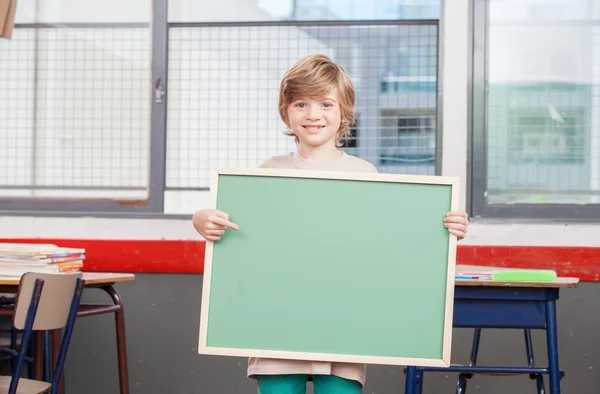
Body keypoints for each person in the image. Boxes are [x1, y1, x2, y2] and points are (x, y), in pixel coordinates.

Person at [192, 54, 469, 394]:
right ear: (286, 112)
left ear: (344, 113)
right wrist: (201, 219)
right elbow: (236, 231)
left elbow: (390, 243)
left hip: (344, 328)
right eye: (301, 104)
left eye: (325, 103)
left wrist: (446, 227)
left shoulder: (365, 175)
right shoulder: (266, 173)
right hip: (277, 325)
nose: (313, 115)